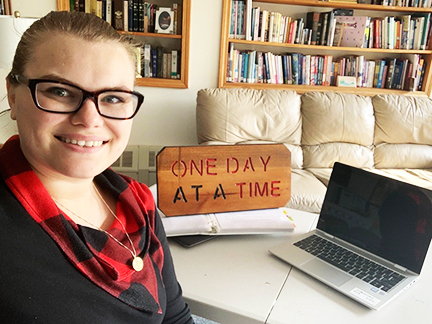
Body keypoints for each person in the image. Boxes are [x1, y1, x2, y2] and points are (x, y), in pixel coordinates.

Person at [0, 10, 193, 323]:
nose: (89, 119)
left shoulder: (138, 202)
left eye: (114, 98)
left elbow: (174, 316)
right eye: (59, 91)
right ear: (12, 94)